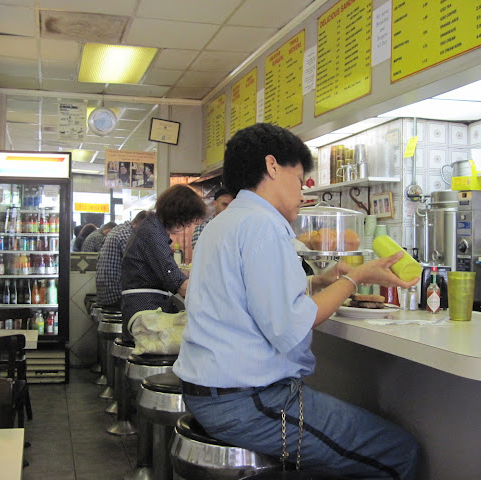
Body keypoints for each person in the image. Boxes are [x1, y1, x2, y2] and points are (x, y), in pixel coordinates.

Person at [173, 123, 420, 479]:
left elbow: (245, 293)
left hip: (212, 393)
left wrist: (319, 281)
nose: (302, 191)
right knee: (398, 451)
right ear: (273, 166)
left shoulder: (226, 222)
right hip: (247, 401)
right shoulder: (263, 224)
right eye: (299, 178)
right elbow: (290, 325)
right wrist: (356, 278)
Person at [120, 184, 206, 340]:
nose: (187, 226)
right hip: (145, 313)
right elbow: (178, 283)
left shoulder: (150, 227)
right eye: (186, 221)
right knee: (196, 339)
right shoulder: (153, 234)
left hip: (141, 309)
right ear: (177, 214)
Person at [96, 211, 148, 309]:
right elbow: (137, 264)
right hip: (115, 297)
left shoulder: (119, 229)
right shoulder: (127, 235)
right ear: (141, 224)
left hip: (106, 294)